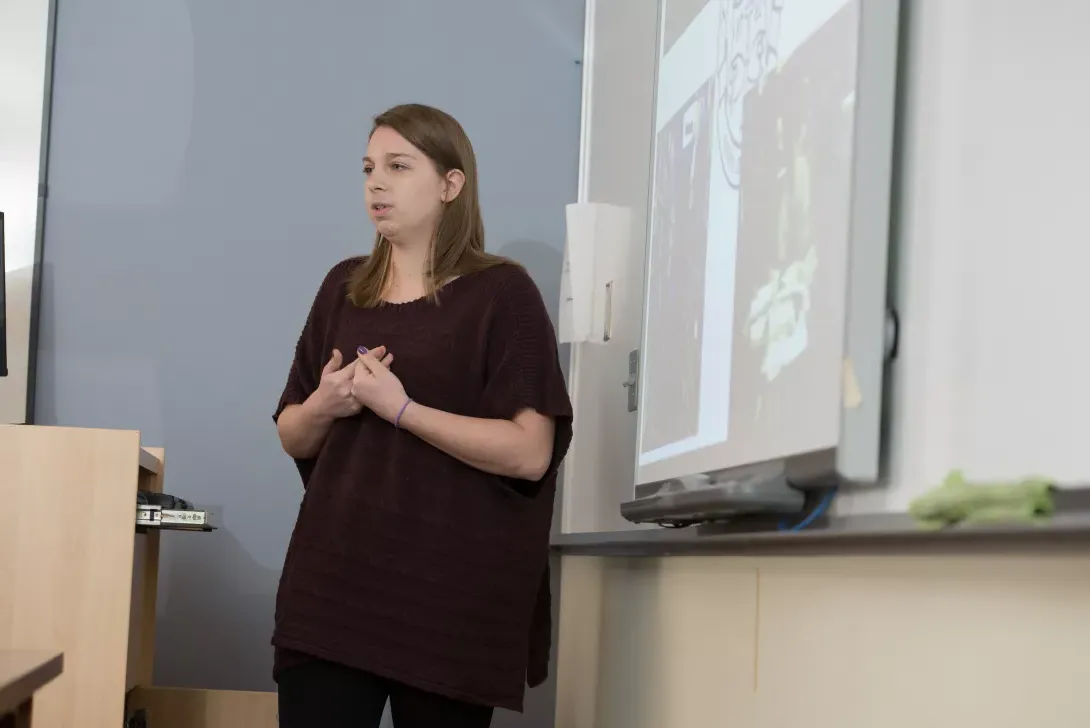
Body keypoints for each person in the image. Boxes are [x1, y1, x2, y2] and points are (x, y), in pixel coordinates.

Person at [271, 102, 573, 728]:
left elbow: (530, 450)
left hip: (447, 605)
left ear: (450, 184)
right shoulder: (342, 287)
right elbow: (292, 434)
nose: (375, 183)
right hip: (331, 591)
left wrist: (401, 409)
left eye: (399, 166)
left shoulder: (502, 293)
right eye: (368, 168)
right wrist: (327, 403)